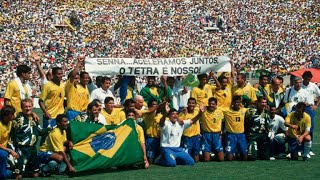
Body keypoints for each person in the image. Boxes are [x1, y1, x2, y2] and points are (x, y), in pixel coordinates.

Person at [11, 99, 47, 178]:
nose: (28, 108)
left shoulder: (34, 118)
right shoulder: (17, 119)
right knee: (19, 175)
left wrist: (51, 128)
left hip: (33, 149)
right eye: (25, 107)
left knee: (35, 174)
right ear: (21, 107)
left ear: (33, 107)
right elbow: (11, 134)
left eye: (30, 106)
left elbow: (40, 131)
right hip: (22, 149)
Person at [223, 95, 248, 161]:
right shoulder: (227, 111)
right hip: (231, 135)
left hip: (241, 135)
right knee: (229, 158)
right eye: (235, 102)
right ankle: (233, 153)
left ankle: (238, 153)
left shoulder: (244, 110)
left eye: (238, 102)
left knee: (245, 157)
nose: (237, 104)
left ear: (240, 103)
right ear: (232, 103)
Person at [301, 71, 320, 156]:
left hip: (310, 108)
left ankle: (309, 148)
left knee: (310, 127)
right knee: (300, 127)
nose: (307, 80)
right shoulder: (299, 84)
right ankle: (300, 148)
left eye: (309, 79)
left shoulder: (313, 85)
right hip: (300, 108)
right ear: (303, 78)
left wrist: (316, 105)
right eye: (306, 79)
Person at [200, 97, 225, 162]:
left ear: (216, 105)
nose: (211, 105)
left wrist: (221, 132)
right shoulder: (204, 111)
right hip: (206, 135)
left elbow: (222, 121)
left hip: (216, 135)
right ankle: (208, 154)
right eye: (210, 103)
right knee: (206, 159)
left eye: (213, 104)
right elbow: (199, 105)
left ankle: (213, 154)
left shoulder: (220, 112)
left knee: (221, 159)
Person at [179, 97, 201, 162]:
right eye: (190, 103)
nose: (191, 104)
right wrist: (183, 113)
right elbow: (180, 123)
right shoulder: (182, 113)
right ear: (187, 104)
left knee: (196, 159)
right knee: (186, 160)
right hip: (187, 138)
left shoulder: (197, 111)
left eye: (193, 103)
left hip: (196, 137)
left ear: (195, 104)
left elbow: (203, 107)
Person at [0, 106, 18, 179]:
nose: (14, 116)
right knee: (3, 154)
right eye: (12, 114)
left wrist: (33, 113)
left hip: (5, 147)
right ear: (6, 116)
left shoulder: (9, 122)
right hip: (2, 149)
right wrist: (10, 151)